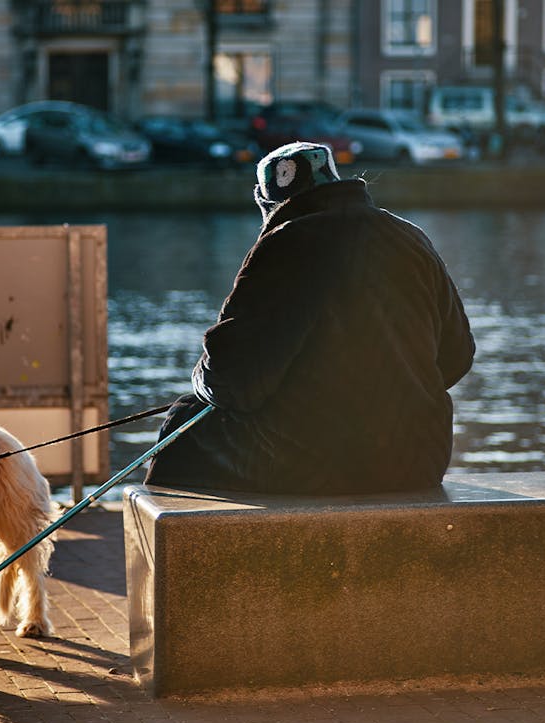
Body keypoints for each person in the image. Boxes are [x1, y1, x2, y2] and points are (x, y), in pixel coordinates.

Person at [145, 141, 475, 495]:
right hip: (420, 458)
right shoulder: (410, 237)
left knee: (182, 429)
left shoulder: (285, 243)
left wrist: (200, 379)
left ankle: (206, 545)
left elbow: (231, 382)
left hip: (320, 461)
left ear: (268, 202)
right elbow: (457, 357)